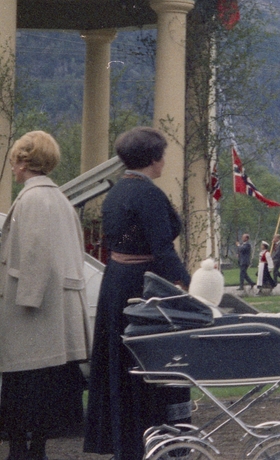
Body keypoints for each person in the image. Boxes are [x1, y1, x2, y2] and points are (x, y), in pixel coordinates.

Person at [85, 127, 193, 459]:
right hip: (143, 286)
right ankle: (154, 437)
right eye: (162, 155)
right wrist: (187, 284)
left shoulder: (117, 191)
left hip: (117, 282)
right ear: (153, 158)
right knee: (151, 362)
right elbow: (162, 248)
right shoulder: (147, 194)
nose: (164, 161)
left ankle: (125, 442)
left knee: (122, 363)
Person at [0, 131, 88, 460]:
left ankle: (22, 452)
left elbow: (37, 256)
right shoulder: (59, 199)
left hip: (33, 313)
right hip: (50, 308)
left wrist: (27, 300)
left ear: (24, 162)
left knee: (22, 385)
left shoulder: (33, 199)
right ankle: (34, 449)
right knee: (42, 386)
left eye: (14, 160)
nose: (12, 167)